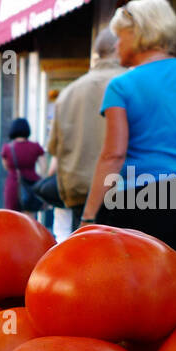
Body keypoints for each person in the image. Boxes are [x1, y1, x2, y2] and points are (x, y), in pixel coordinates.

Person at [81, 0, 176, 295]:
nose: (116, 46)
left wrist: (89, 216)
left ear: (137, 35)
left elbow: (113, 155)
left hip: (137, 198)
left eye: (120, 37)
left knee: (137, 292)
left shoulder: (121, 87)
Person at [46, 29, 124, 227]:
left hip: (81, 193)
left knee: (86, 254)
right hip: (127, 191)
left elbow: (56, 149)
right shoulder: (131, 83)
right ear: (119, 46)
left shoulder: (68, 93)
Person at [1, 118, 44, 215]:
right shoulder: (36, 146)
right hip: (31, 185)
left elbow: (6, 167)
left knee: (12, 217)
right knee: (29, 219)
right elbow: (43, 167)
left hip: (13, 184)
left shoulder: (7, 148)